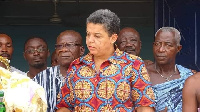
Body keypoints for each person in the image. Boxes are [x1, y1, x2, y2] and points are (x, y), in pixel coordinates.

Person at [56, 9, 155, 112]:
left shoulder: (133, 64)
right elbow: (64, 106)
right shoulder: (77, 66)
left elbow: (144, 106)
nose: (90, 40)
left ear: (113, 38)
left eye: (97, 36)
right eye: (88, 34)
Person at [33, 30, 85, 112]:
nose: (63, 49)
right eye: (59, 46)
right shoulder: (40, 79)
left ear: (81, 50)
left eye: (69, 45)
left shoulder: (91, 77)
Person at [146, 27, 194, 112]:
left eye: (168, 45)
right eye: (157, 44)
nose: (161, 49)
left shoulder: (187, 77)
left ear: (178, 48)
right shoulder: (141, 74)